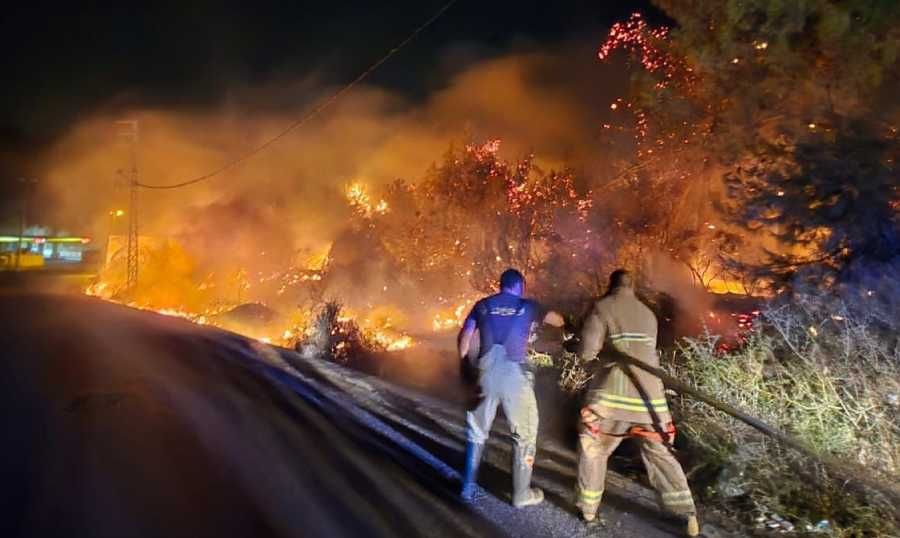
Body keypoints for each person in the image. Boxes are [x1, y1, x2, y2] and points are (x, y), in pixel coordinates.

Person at [576, 270, 700, 537]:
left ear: (611, 286)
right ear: (632, 288)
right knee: (660, 455)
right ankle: (686, 513)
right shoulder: (648, 314)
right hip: (650, 400)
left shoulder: (602, 308)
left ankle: (588, 510)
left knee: (593, 447)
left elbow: (587, 352)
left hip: (611, 398)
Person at [457, 268, 564, 506]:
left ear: (501, 285)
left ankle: (467, 487)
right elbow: (557, 320)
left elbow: (464, 337)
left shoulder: (482, 306)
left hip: (484, 374)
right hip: (515, 376)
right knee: (525, 432)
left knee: (476, 431)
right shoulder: (528, 306)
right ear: (520, 286)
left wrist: (465, 365)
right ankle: (521, 494)